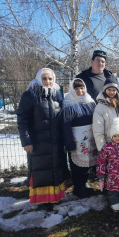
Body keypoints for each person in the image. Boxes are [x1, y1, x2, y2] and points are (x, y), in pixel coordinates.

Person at [17, 68, 69, 204]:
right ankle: (41, 200)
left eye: (50, 79)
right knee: (40, 171)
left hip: (55, 142)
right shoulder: (30, 95)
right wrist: (26, 141)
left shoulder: (57, 95)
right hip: (38, 143)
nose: (47, 81)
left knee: (55, 169)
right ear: (39, 79)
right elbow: (22, 120)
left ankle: (55, 198)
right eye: (44, 78)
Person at [61, 78, 97, 198]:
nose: (80, 91)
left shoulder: (90, 101)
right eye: (76, 88)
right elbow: (65, 126)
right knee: (77, 166)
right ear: (72, 89)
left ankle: (84, 184)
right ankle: (78, 187)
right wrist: (69, 142)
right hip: (77, 139)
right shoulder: (68, 104)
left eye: (82, 88)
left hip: (90, 138)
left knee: (88, 163)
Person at [93, 78, 119, 152]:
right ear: (105, 90)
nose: (111, 92)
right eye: (109, 90)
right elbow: (98, 130)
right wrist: (102, 148)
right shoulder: (100, 107)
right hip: (109, 145)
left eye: (114, 90)